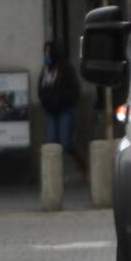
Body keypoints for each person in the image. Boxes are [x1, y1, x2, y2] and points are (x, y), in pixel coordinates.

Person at [39, 40, 84, 172]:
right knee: (52, 144)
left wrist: (62, 100)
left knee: (66, 142)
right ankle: (54, 174)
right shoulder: (46, 70)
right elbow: (41, 89)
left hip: (65, 110)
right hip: (50, 111)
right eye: (45, 52)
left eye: (48, 52)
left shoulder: (66, 69)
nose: (46, 55)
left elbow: (74, 89)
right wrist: (45, 101)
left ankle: (83, 167)